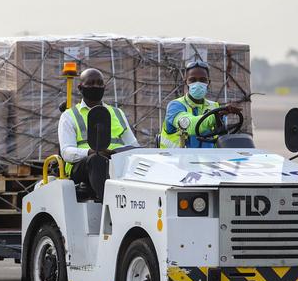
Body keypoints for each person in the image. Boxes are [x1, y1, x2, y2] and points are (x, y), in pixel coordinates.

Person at [58, 68, 139, 200]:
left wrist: (118, 153)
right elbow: (67, 152)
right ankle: (109, 204)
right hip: (82, 167)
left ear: (104, 87)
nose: (95, 86)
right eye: (90, 83)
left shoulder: (117, 113)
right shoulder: (69, 116)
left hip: (115, 162)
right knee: (96, 160)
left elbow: (133, 145)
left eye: (99, 83)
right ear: (80, 87)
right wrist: (91, 152)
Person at [159, 60, 242, 148]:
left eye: (202, 80)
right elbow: (189, 126)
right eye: (193, 80)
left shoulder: (215, 106)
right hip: (177, 159)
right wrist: (216, 115)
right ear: (186, 82)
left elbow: (220, 135)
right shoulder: (175, 106)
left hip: (208, 159)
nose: (198, 83)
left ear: (208, 82)